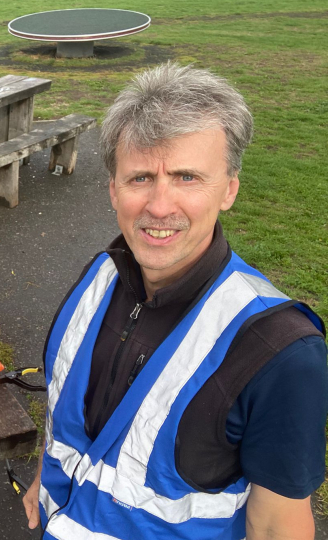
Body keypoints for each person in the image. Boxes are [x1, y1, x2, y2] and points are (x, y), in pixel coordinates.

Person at [22, 62, 328, 540]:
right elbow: (64, 408)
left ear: (229, 189)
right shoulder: (99, 276)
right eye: (140, 177)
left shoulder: (281, 351)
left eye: (187, 177)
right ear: (113, 190)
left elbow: (277, 528)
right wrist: (44, 475)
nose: (160, 206)